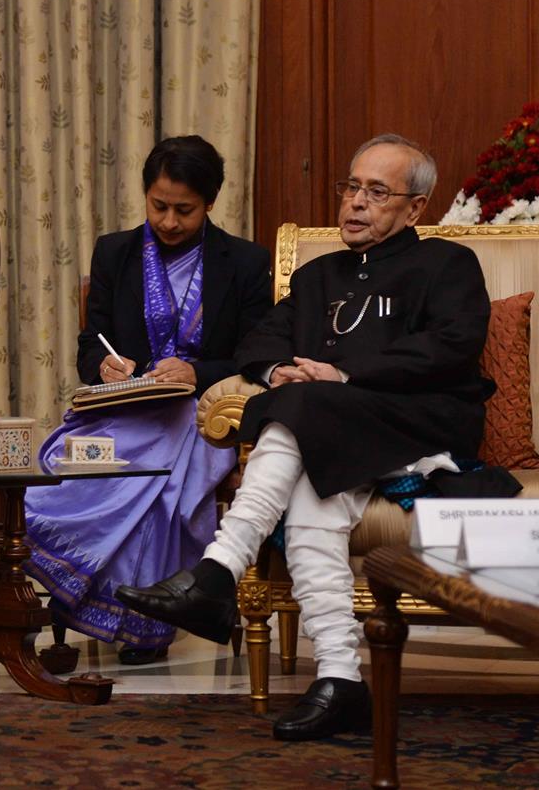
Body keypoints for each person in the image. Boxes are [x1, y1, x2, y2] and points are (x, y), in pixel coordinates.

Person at [117, 134, 510, 740]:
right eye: (351, 186)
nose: (355, 202)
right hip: (333, 434)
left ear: (415, 208)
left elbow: (451, 345)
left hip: (419, 420)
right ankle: (339, 678)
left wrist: (343, 374)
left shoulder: (446, 264)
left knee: (304, 404)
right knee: (310, 499)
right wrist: (279, 371)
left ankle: (218, 569)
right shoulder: (318, 275)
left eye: (377, 192)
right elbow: (259, 343)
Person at [0, 135, 270, 666]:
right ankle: (62, 571)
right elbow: (92, 345)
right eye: (158, 206)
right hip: (126, 404)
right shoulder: (115, 251)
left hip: (202, 415)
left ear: (210, 202)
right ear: (145, 196)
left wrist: (197, 370)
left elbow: (256, 356)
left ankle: (140, 623)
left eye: (185, 209)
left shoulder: (245, 263)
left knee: (153, 478)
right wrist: (104, 366)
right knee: (76, 466)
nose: (169, 221)